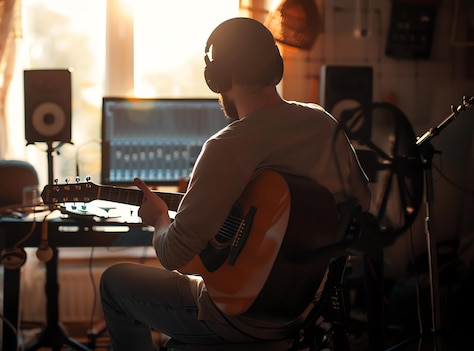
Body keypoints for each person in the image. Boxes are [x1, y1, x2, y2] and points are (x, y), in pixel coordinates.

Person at [99, 17, 372, 351]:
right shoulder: (323, 122)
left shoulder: (228, 144)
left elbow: (174, 254)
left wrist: (158, 218)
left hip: (243, 316)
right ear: (275, 67)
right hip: (313, 314)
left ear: (217, 77)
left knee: (114, 283)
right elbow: (362, 204)